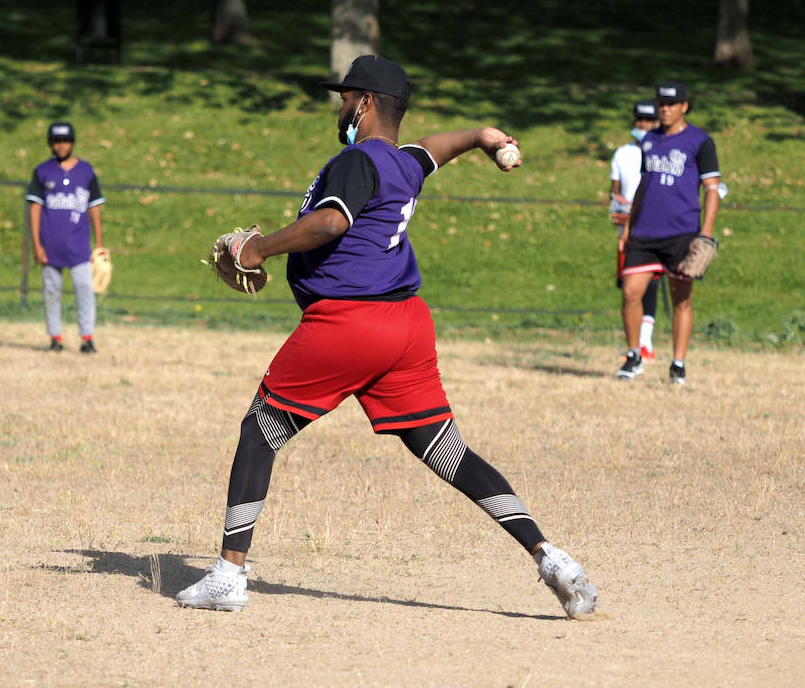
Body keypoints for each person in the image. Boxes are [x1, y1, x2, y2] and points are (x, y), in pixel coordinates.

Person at [174, 55, 598, 618]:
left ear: (366, 103)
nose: (341, 106)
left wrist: (259, 248)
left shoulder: (358, 159)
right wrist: (482, 136)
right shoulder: (403, 163)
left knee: (260, 432)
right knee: (446, 451)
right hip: (406, 329)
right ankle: (553, 560)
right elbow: (437, 147)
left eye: (346, 97)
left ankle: (229, 574)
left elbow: (331, 222)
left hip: (349, 325)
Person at [616, 81, 722, 384]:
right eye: (661, 103)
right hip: (646, 230)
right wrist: (628, 227)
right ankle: (634, 355)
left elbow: (712, 190)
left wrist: (705, 233)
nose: (665, 108)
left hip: (682, 232)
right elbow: (641, 186)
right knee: (631, 292)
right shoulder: (649, 140)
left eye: (672, 103)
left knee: (681, 300)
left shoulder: (700, 141)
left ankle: (678, 364)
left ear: (684, 106)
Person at [25, 121, 106, 354]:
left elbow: (95, 208)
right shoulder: (43, 172)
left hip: (79, 245)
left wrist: (99, 244)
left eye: (66, 141)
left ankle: (87, 338)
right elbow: (34, 209)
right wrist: (37, 245)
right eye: (57, 141)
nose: (61, 145)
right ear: (51, 143)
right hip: (49, 245)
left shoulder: (86, 171)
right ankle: (55, 338)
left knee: (84, 290)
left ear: (72, 142)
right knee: (51, 292)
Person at [610, 99, 663, 362]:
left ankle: (645, 343)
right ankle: (634, 344)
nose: (642, 125)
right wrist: (618, 204)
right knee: (629, 286)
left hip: (655, 224)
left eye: (648, 121)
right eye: (639, 120)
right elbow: (615, 190)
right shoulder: (622, 153)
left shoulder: (661, 152)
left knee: (651, 283)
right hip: (628, 228)